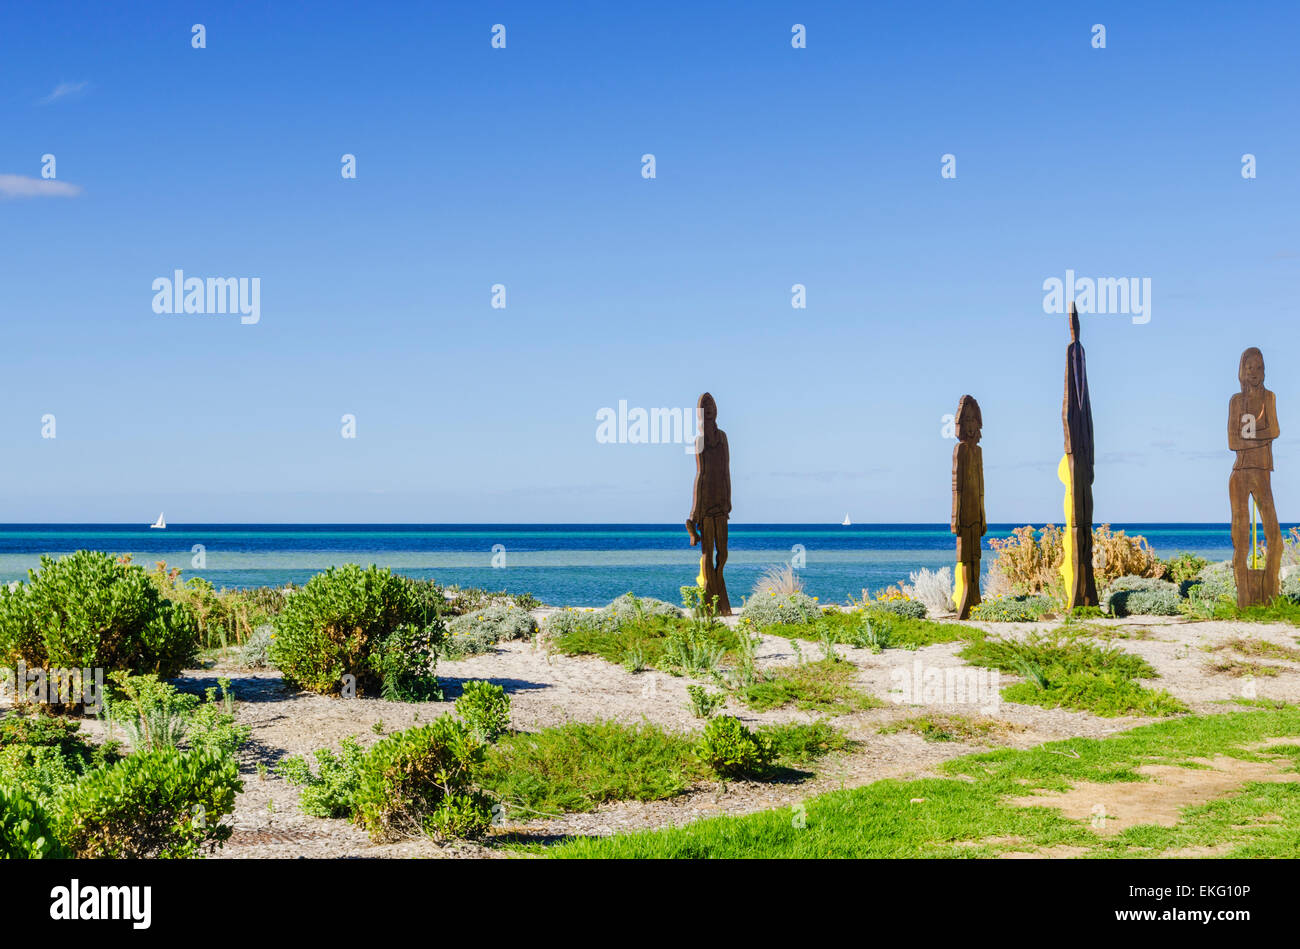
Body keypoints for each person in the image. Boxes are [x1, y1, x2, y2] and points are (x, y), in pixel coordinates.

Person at [1228, 347, 1281, 606]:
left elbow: (1276, 430)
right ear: (1242, 370)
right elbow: (1232, 440)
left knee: (1275, 539)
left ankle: (1270, 595)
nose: (1254, 373)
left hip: (1263, 473)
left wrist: (1252, 435)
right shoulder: (1236, 402)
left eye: (1258, 367)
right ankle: (1244, 597)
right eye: (1249, 367)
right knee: (1241, 541)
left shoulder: (1269, 397)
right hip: (1240, 474)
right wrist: (1260, 436)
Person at [1062, 303, 1098, 608]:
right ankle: (1077, 592)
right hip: (1076, 458)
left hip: (1086, 460)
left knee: (1087, 526)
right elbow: (1069, 414)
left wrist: (1092, 460)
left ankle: (1090, 592)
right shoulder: (1071, 352)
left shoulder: (1082, 353)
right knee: (1077, 525)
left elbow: (1088, 420)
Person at [686, 392, 731, 615]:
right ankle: (709, 596)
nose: (710, 409)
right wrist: (695, 513)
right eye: (705, 406)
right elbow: (701, 475)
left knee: (723, 554)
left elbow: (726, 471)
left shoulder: (722, 437)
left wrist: (728, 500)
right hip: (705, 508)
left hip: (722, 505)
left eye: (711, 405)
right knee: (707, 553)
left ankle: (718, 588)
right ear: (700, 414)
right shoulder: (700, 440)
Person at [951, 395, 986, 620]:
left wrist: (984, 515)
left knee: (977, 555)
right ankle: (966, 598)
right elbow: (958, 488)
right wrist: (955, 516)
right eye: (968, 420)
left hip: (977, 514)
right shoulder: (961, 451)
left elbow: (981, 487)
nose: (972, 425)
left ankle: (976, 596)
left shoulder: (979, 452)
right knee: (965, 558)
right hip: (964, 515)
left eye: (975, 420)